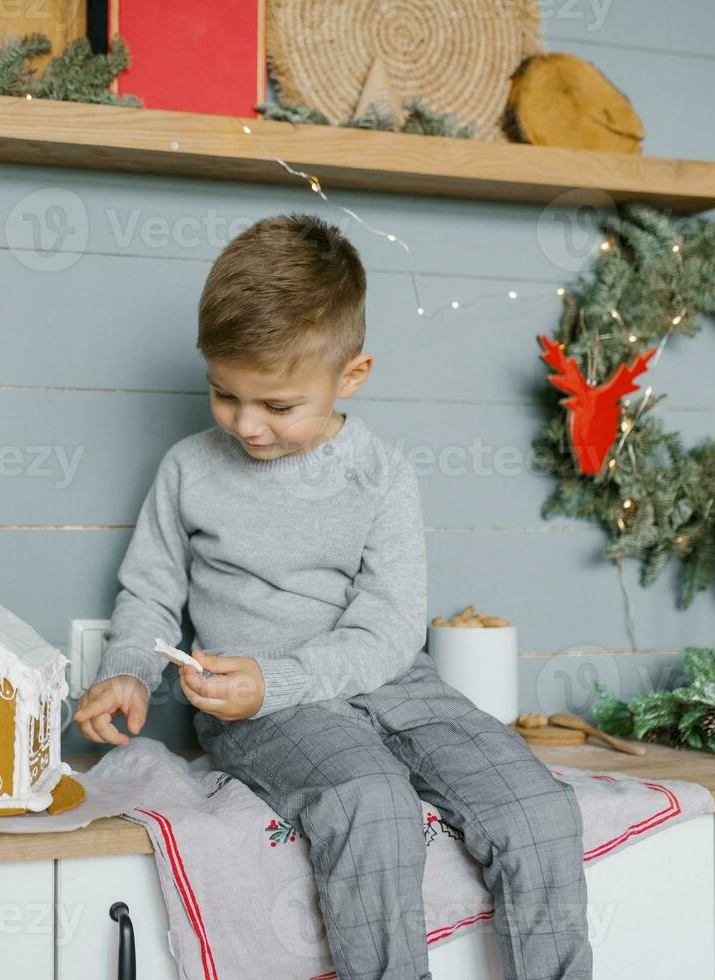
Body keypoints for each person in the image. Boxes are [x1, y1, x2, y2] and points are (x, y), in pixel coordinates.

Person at [73, 213, 591, 980]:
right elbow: (149, 593)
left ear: (351, 377)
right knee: (370, 803)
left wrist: (285, 676)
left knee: (538, 809)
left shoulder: (382, 475)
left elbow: (387, 630)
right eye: (224, 395)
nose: (247, 425)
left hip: (391, 683)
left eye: (278, 406)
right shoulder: (188, 470)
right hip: (262, 706)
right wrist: (128, 670)